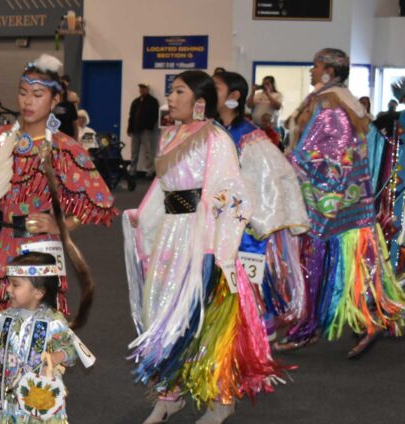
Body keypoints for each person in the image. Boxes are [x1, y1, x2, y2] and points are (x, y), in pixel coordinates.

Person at [0, 54, 116, 392]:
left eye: (38, 95)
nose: (28, 101)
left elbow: (101, 202)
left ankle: (27, 395)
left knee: (32, 333)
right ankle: (1, 393)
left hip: (35, 252)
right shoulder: (0, 138)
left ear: (54, 100)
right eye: (23, 93)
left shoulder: (62, 148)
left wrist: (60, 225)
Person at [124, 71, 286, 424]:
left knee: (204, 321)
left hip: (203, 242)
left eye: (179, 91)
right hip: (171, 237)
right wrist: (144, 218)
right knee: (163, 314)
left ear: (199, 102)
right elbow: (162, 188)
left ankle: (219, 399)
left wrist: (213, 237)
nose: (171, 97)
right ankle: (169, 394)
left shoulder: (216, 139)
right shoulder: (171, 135)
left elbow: (234, 193)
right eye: (171, 91)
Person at [277, 48, 405, 357]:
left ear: (329, 71)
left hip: (329, 202)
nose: (312, 70)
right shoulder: (338, 99)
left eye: (316, 65)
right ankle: (364, 321)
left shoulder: (331, 104)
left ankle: (315, 327)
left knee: (322, 264)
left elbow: (333, 153)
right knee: (349, 266)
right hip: (346, 201)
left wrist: (290, 161)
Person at [215, 71, 310, 339]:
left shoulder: (249, 136)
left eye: (215, 88)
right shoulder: (211, 130)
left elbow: (273, 177)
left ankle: (257, 322)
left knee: (246, 274)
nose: (208, 92)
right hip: (215, 220)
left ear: (233, 96)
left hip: (245, 224)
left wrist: (255, 214)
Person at [0, 252, 94, 424]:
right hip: (11, 398)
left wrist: (57, 356)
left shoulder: (53, 322)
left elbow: (71, 349)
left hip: (43, 397)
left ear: (38, 292)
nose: (8, 289)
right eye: (9, 283)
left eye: (15, 285)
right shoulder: (1, 320)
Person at [128, 82, 159, 177]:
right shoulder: (136, 101)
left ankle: (149, 171)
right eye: (140, 88)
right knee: (134, 152)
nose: (141, 90)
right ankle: (132, 170)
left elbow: (155, 116)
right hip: (135, 130)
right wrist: (129, 128)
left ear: (147, 89)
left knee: (148, 152)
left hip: (146, 130)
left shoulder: (153, 101)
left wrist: (148, 125)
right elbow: (131, 116)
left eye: (143, 88)